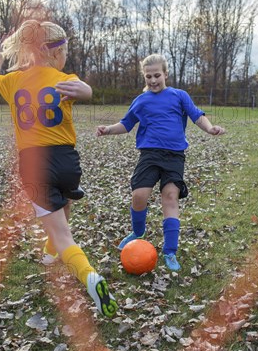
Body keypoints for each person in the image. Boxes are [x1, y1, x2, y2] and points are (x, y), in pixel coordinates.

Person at [0, 19, 118, 318]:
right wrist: (87, 91)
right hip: (67, 161)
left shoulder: (14, 80)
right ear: (57, 52)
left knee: (61, 233)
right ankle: (49, 255)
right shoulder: (64, 79)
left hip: (34, 164)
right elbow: (85, 91)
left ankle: (88, 277)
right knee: (62, 207)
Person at [96, 53, 225, 271]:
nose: (153, 80)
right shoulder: (141, 100)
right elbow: (126, 124)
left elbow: (197, 115)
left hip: (174, 156)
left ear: (166, 74)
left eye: (157, 75)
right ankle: (138, 232)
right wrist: (108, 129)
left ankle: (170, 251)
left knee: (170, 197)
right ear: (144, 77)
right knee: (139, 196)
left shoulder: (179, 95)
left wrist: (210, 128)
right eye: (149, 77)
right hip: (149, 155)